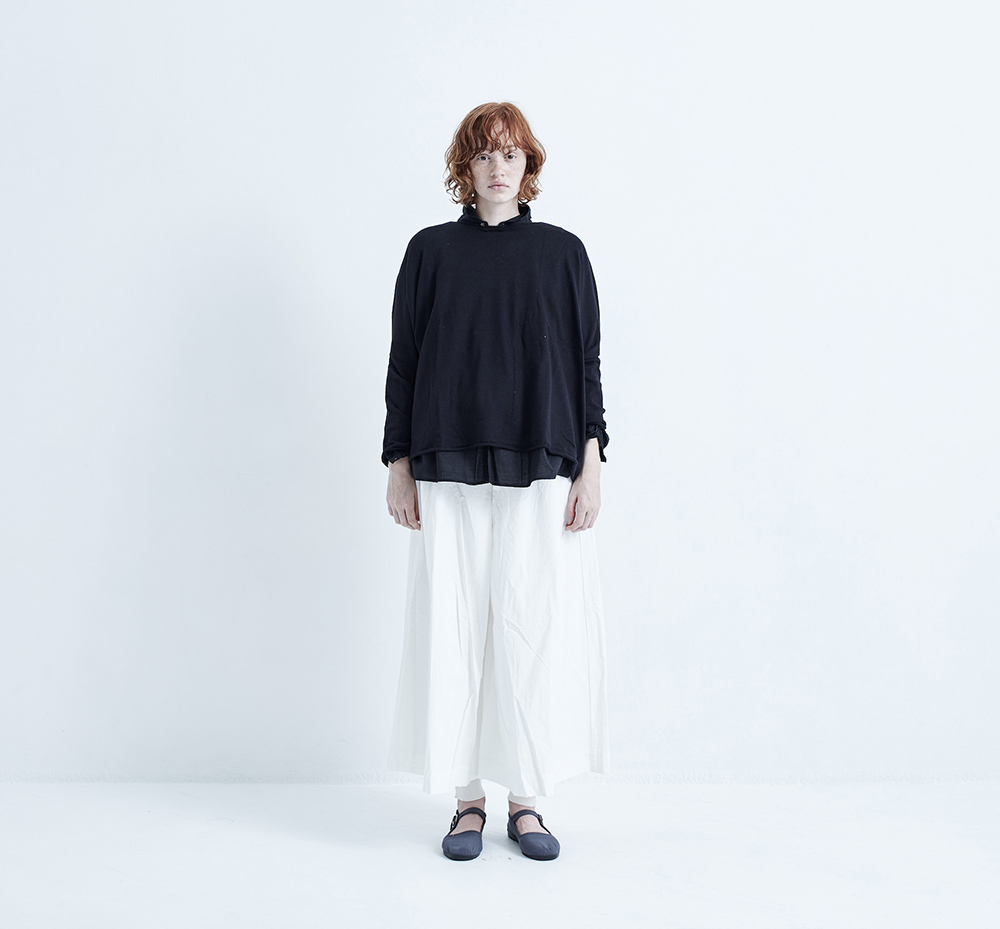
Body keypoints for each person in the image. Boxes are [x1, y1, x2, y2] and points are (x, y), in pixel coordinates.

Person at [381, 102, 610, 861]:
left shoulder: (563, 253)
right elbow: (404, 360)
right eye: (484, 154)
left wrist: (591, 463)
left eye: (511, 154)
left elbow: (586, 362)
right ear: (466, 167)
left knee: (530, 629)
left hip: (540, 463)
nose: (498, 167)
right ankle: (467, 802)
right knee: (454, 628)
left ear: (528, 165)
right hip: (446, 462)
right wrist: (398, 463)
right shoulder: (429, 252)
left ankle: (527, 802)